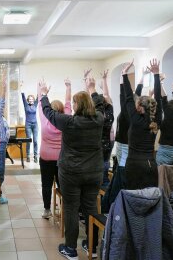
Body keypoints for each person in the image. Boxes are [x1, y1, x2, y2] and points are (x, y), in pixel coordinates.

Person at [40, 77, 104, 260]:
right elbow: (100, 105)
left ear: (77, 105)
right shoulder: (98, 119)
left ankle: (70, 249)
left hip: (71, 173)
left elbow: (48, 113)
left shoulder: (69, 122)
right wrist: (92, 89)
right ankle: (92, 247)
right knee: (91, 208)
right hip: (94, 172)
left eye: (74, 103)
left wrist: (44, 94)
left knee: (71, 208)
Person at [122, 59, 162, 190]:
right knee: (150, 199)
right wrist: (156, 75)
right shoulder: (155, 120)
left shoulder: (135, 119)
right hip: (150, 164)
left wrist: (124, 74)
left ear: (138, 106)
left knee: (133, 198)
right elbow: (159, 98)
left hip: (133, 165)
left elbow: (128, 96)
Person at [38, 78, 71, 219]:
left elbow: (41, 104)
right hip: (61, 158)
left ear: (49, 109)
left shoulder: (45, 118)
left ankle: (47, 210)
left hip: (45, 158)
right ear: (62, 109)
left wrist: (42, 91)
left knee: (46, 184)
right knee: (62, 184)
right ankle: (64, 207)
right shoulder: (67, 119)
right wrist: (68, 87)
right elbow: (69, 103)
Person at [156, 79, 173, 166]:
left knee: (161, 176)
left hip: (164, 149)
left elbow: (164, 97)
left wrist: (160, 83)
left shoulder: (168, 112)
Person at [0, 77, 10, 204]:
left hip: (2, 145)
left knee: (0, 171)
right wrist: (4, 89)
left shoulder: (0, 118)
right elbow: (1, 103)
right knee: (0, 172)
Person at [99, 70, 114, 187]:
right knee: (105, 161)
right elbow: (107, 96)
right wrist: (104, 80)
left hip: (97, 142)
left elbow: (88, 99)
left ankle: (100, 182)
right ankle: (104, 181)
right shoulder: (109, 113)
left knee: (100, 162)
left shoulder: (95, 115)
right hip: (108, 142)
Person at [21, 82, 38, 163]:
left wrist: (39, 87)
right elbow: (23, 96)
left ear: (33, 100)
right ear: (28, 100)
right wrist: (22, 87)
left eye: (32, 99)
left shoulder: (35, 104)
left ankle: (35, 156)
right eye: (29, 99)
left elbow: (39, 96)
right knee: (28, 140)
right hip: (28, 124)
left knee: (35, 141)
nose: (31, 100)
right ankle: (28, 155)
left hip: (35, 124)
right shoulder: (26, 105)